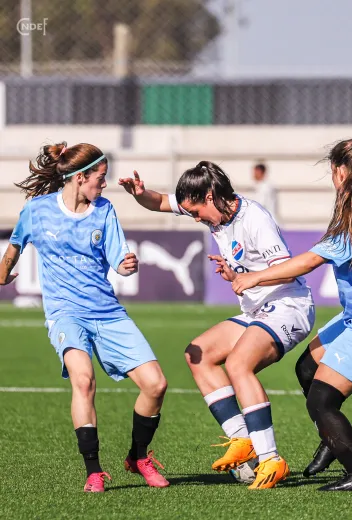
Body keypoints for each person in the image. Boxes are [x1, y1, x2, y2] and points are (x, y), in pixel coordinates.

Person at [119, 161, 315, 490]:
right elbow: (160, 202)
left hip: (288, 306)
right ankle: (242, 440)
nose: (195, 218)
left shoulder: (254, 219)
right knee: (199, 354)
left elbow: (289, 270)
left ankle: (271, 459)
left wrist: (250, 278)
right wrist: (139, 194)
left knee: (239, 364)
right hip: (257, 310)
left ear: (210, 196)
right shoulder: (213, 210)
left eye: (197, 212)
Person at [232, 139, 352, 492]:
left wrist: (254, 277)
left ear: (340, 172)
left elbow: (309, 261)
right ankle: (331, 438)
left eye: (333, 171)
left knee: (321, 401)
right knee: (307, 368)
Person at [0, 142, 169, 493]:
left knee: (156, 384)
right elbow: (14, 246)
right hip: (65, 313)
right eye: (100, 177)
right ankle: (94, 470)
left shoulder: (104, 211)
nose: (105, 184)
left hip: (107, 311)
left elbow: (119, 260)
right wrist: (2, 274)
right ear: (80, 177)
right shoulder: (37, 210)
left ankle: (138, 457)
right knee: (83, 380)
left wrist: (127, 265)